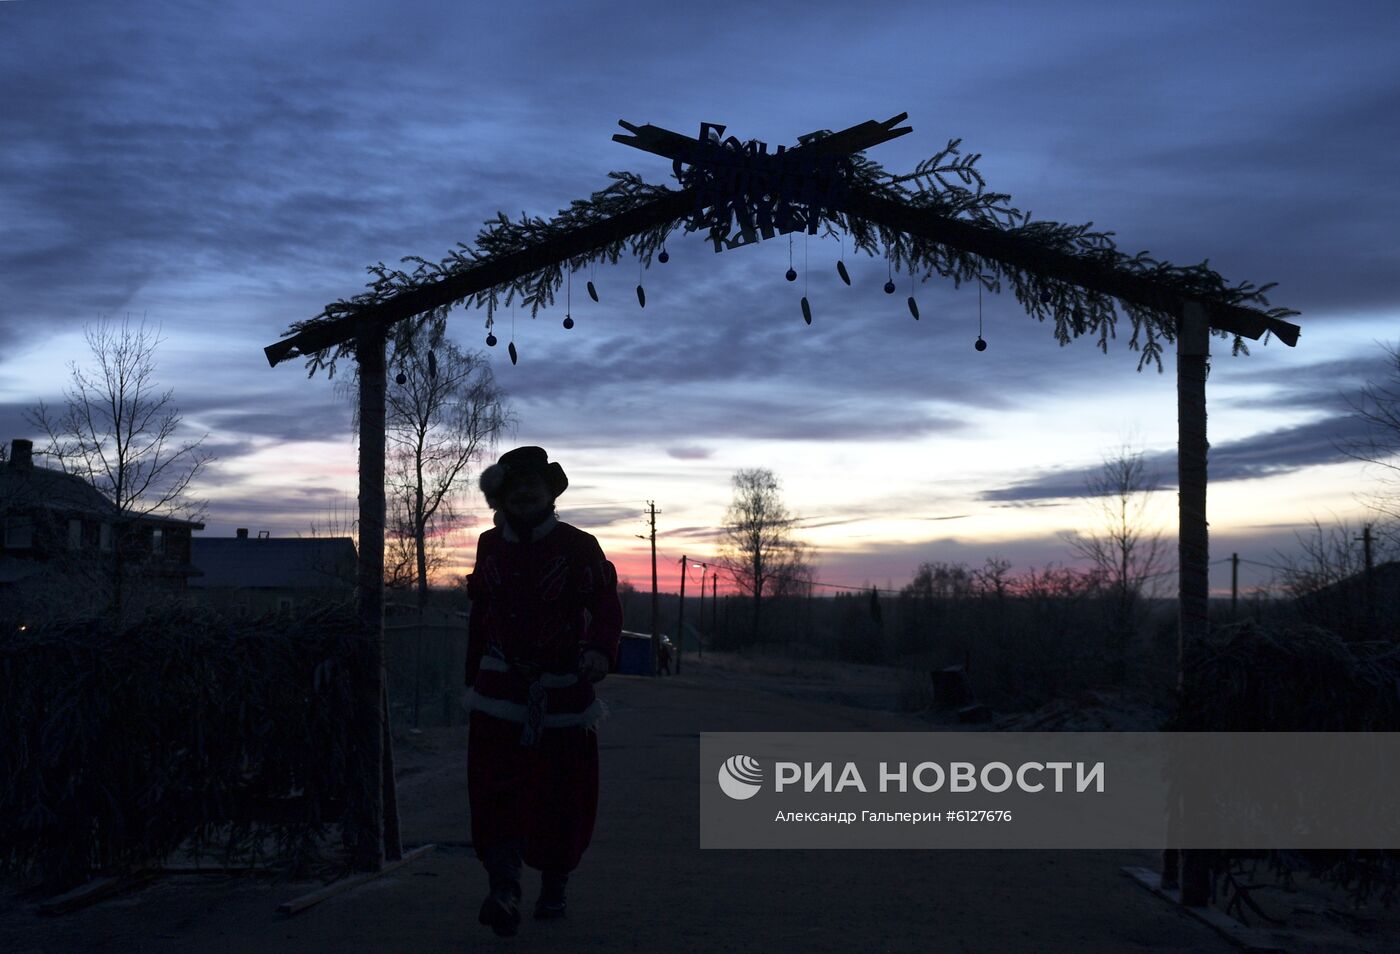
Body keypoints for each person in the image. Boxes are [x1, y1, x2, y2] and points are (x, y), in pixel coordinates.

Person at [462, 446, 622, 937]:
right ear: (501, 496)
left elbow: (606, 603)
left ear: (551, 493)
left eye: (535, 484)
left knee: (563, 795)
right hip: (498, 688)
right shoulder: (489, 546)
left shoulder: (579, 546)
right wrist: (471, 674)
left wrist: (599, 651)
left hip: (562, 692)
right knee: (493, 790)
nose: (526, 493)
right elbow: (481, 613)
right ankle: (504, 887)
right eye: (516, 485)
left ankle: (555, 884)